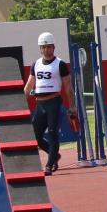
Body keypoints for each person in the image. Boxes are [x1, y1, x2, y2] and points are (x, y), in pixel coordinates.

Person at [24, 32, 77, 175]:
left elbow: (68, 87)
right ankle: (54, 155)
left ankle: (49, 165)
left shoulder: (60, 64)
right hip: (40, 105)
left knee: (53, 134)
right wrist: (20, 102)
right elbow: (29, 86)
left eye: (48, 47)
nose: (46, 50)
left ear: (54, 47)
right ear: (40, 48)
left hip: (54, 103)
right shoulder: (35, 64)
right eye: (43, 47)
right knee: (35, 136)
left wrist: (72, 106)